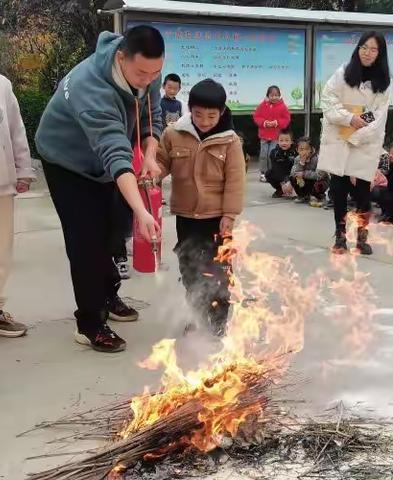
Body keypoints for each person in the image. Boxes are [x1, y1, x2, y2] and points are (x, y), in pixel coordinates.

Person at [35, 25, 165, 353]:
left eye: (155, 72)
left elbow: (153, 118)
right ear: (121, 57)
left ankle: (108, 294)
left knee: (115, 231)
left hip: (110, 161)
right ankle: (90, 323)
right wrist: (142, 211)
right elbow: (114, 153)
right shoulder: (88, 86)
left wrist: (150, 154)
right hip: (68, 162)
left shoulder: (147, 72)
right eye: (142, 73)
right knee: (86, 240)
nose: (148, 79)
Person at [156, 79, 245, 336]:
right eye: (198, 114)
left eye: (211, 115)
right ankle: (197, 315)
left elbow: (236, 181)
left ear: (222, 112)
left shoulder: (230, 141)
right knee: (190, 268)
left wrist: (230, 214)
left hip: (217, 218)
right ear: (189, 110)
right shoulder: (174, 134)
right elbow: (162, 162)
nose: (204, 121)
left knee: (219, 271)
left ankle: (218, 322)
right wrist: (153, 175)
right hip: (186, 216)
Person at [318, 31, 391, 255]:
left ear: (380, 53)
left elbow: (379, 118)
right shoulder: (342, 74)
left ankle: (361, 237)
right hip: (339, 140)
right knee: (338, 192)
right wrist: (349, 119)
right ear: (357, 48)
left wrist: (356, 134)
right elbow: (327, 100)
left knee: (362, 194)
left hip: (364, 144)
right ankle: (340, 237)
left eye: (373, 49)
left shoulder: (384, 83)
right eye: (364, 47)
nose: (367, 53)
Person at [0, 75, 36, 338]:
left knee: (1, 253)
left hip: (0, 184)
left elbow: (15, 130)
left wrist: (23, 170)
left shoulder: (2, 85)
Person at [253, 85, 291, 182]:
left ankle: (272, 172)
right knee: (263, 154)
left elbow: (286, 119)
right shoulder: (262, 105)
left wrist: (277, 122)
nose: (274, 97)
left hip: (276, 136)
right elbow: (256, 116)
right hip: (264, 135)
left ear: (279, 95)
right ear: (268, 96)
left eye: (276, 95)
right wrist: (264, 122)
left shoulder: (283, 106)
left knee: (272, 154)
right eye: (272, 95)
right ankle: (263, 173)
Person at [289, 137, 330, 207]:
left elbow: (319, 175)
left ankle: (319, 196)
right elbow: (293, 173)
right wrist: (301, 163)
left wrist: (304, 173)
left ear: (311, 149)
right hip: (307, 181)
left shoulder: (317, 159)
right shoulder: (297, 159)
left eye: (307, 149)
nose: (304, 151)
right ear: (297, 150)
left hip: (320, 181)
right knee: (294, 178)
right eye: (301, 149)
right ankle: (303, 195)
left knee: (318, 184)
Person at [265, 129, 296, 198]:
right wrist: (283, 183)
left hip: (292, 175)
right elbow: (276, 169)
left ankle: (297, 191)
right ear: (277, 141)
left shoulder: (295, 152)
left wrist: (289, 181)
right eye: (281, 140)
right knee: (269, 173)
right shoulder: (274, 153)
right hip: (281, 176)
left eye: (287, 140)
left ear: (291, 142)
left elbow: (297, 168)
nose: (284, 143)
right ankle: (280, 190)